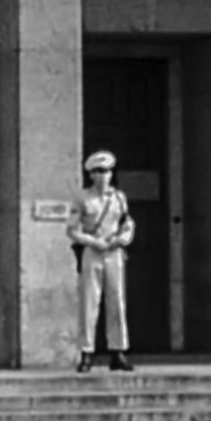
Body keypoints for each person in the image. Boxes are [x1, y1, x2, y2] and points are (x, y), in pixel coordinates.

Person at [69, 149, 134, 373]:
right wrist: (93, 241)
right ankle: (86, 352)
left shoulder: (118, 197)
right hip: (93, 251)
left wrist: (123, 239)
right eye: (98, 171)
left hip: (114, 252)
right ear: (91, 175)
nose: (104, 175)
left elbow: (127, 223)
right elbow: (73, 230)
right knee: (89, 302)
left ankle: (118, 351)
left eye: (107, 171)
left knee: (116, 302)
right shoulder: (83, 198)